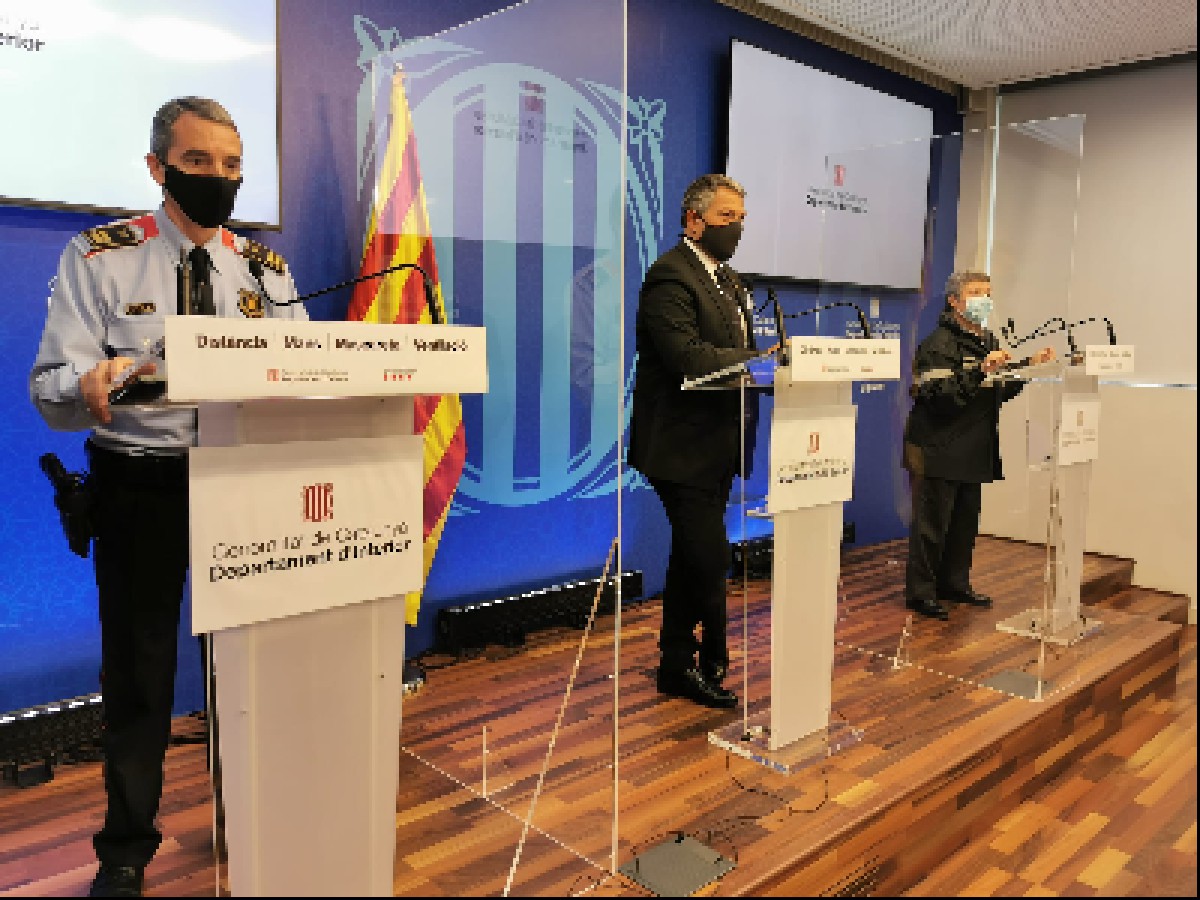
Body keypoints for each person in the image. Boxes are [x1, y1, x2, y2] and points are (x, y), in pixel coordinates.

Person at [29, 96, 306, 898]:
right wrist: (86, 384)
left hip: (242, 484)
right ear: (157, 168)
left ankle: (249, 816)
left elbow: (305, 370)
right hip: (140, 487)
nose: (218, 177)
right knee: (140, 675)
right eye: (197, 162)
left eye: (231, 164)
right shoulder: (99, 256)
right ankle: (125, 849)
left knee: (247, 670)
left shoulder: (266, 270)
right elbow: (50, 388)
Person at [628, 174, 770, 709]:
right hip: (680, 447)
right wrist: (758, 359)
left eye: (741, 219)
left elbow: (735, 355)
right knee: (708, 558)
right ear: (694, 221)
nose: (736, 228)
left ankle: (677, 664)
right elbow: (687, 358)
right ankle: (705, 663)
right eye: (726, 217)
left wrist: (759, 362)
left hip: (719, 442)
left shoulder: (730, 282)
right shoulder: (670, 275)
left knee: (692, 556)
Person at [902, 270, 1055, 620]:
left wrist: (1027, 367)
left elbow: (994, 391)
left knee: (963, 526)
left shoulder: (988, 340)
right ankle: (921, 594)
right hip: (938, 448)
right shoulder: (938, 344)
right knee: (931, 528)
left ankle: (955, 584)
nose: (984, 299)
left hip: (972, 448)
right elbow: (939, 396)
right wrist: (980, 371)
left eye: (987, 292)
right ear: (954, 301)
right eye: (975, 292)